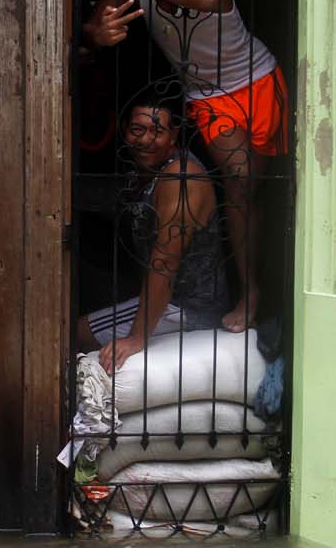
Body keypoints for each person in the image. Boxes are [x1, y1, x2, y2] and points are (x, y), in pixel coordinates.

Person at [83, 0, 287, 332]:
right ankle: (249, 293)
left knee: (266, 192)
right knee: (240, 181)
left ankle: (272, 289)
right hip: (208, 96)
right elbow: (95, 28)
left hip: (260, 79)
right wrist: (100, 33)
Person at [76, 94, 229, 373]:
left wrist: (136, 338)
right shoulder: (146, 170)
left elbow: (165, 263)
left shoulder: (181, 178)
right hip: (170, 297)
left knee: (78, 333)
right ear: (124, 131)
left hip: (189, 307)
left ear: (174, 136)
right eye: (138, 129)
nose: (146, 140)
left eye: (157, 131)